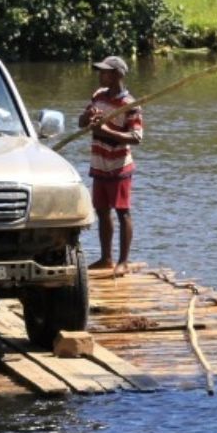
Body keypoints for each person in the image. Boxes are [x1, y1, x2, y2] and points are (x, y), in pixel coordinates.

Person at [78, 55, 143, 276]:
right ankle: (106, 258)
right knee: (102, 211)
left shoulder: (129, 104)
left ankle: (123, 261)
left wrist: (105, 131)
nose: (100, 75)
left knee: (123, 212)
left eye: (105, 72)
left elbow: (136, 136)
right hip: (99, 163)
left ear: (117, 76)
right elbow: (82, 123)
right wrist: (87, 117)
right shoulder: (98, 96)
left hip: (118, 165)